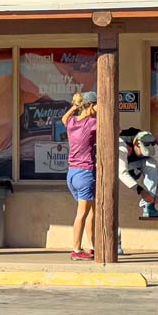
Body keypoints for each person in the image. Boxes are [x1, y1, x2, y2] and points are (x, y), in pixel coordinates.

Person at [63, 91, 98, 261]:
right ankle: (76, 249)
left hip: (72, 174)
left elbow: (64, 118)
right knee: (82, 214)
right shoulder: (92, 123)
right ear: (91, 105)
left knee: (90, 211)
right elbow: (115, 129)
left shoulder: (71, 122)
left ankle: (92, 247)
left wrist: (75, 106)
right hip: (85, 173)